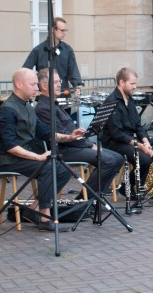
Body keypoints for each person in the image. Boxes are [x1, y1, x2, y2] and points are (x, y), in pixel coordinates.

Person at [0, 68, 84, 231]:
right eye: (33, 84)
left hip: (21, 156)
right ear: (19, 84)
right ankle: (44, 216)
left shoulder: (27, 106)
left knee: (63, 169)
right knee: (48, 167)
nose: (37, 88)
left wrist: (69, 137)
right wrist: (37, 157)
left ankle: (33, 210)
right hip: (7, 159)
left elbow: (46, 132)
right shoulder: (7, 110)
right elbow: (10, 146)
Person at [35, 68, 124, 198]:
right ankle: (85, 200)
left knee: (118, 158)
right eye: (55, 82)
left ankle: (95, 198)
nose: (60, 84)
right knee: (109, 160)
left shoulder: (53, 104)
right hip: (63, 150)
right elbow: (63, 134)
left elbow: (72, 133)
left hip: (73, 146)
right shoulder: (43, 107)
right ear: (43, 86)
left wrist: (88, 144)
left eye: (59, 81)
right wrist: (89, 145)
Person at [100, 68, 153, 197]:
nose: (135, 87)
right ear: (122, 82)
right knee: (144, 160)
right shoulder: (111, 101)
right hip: (114, 143)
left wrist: (146, 142)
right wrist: (140, 146)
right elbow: (117, 133)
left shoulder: (129, 100)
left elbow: (137, 125)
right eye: (132, 84)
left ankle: (149, 185)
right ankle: (127, 187)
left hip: (128, 139)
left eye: (135, 84)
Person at [23, 17, 83, 94]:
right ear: (53, 29)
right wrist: (34, 87)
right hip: (45, 94)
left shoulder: (68, 50)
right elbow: (25, 71)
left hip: (63, 92)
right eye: (62, 30)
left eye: (65, 30)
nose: (65, 33)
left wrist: (77, 87)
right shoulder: (38, 50)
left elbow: (73, 70)